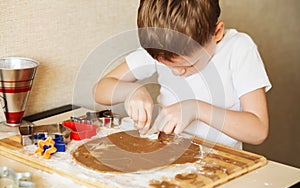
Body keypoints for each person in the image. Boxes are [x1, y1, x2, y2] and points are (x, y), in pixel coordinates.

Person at [94, 0, 271, 149]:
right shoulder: (162, 45)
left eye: (188, 64)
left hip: (221, 165)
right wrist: (131, 91)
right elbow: (100, 90)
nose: (177, 73)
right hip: (170, 154)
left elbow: (258, 131)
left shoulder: (238, 49)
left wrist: (195, 109)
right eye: (166, 65)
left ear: (216, 33)